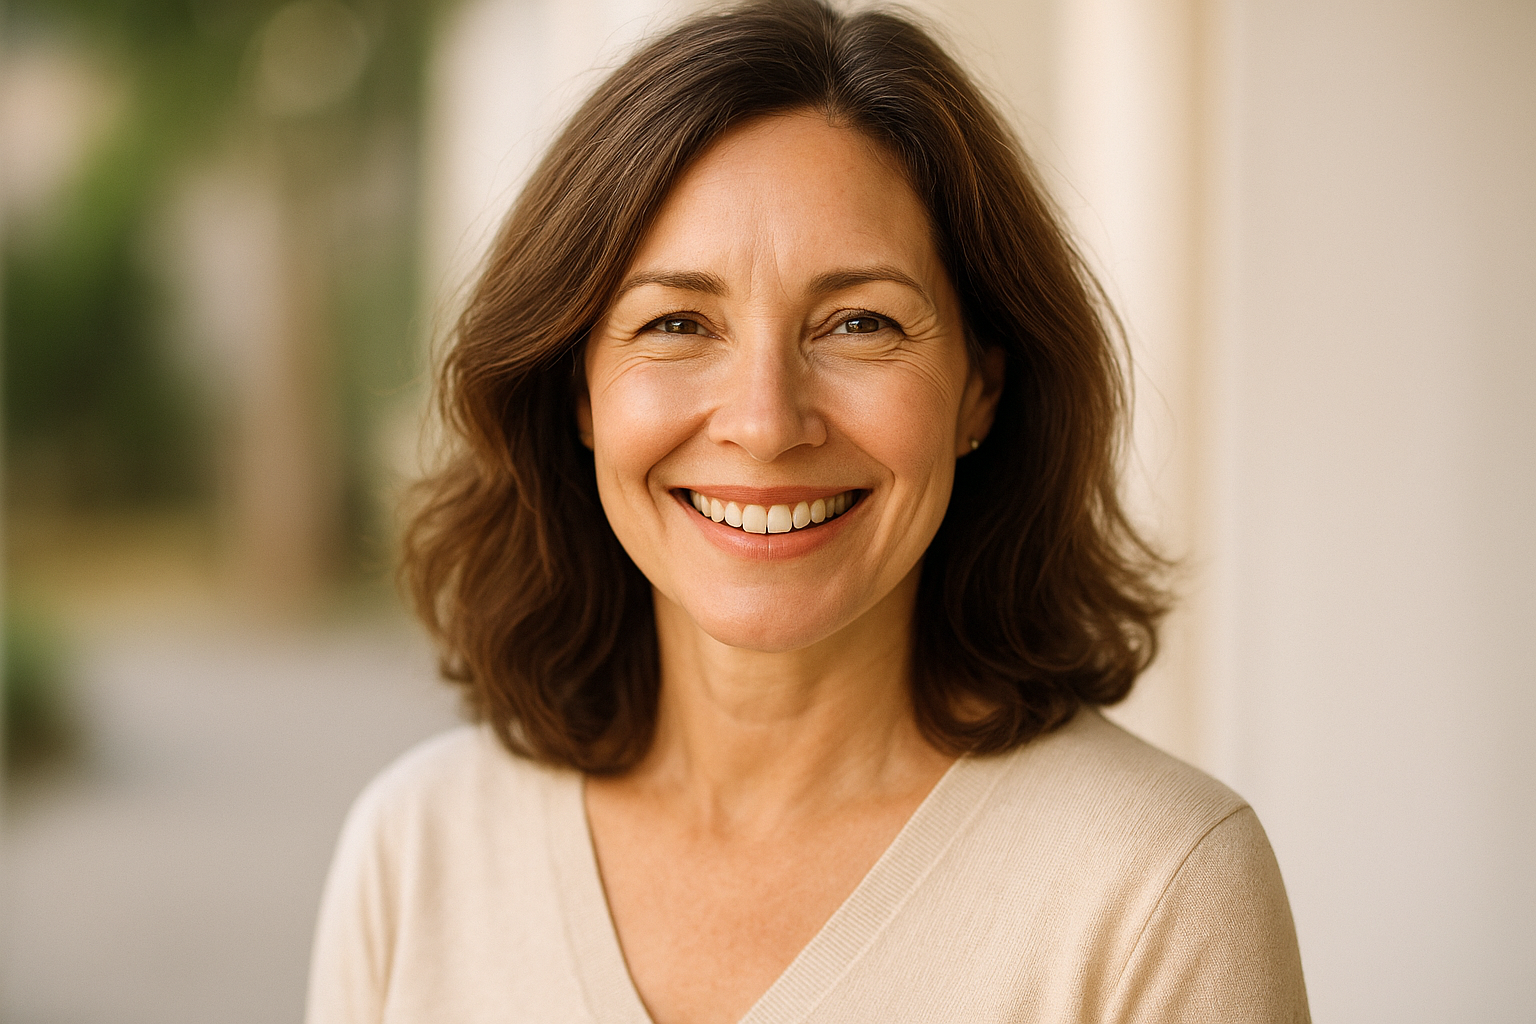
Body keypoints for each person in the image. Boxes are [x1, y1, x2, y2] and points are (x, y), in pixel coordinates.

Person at [305, 2, 1309, 1021]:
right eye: (679, 322)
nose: (764, 421)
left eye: (860, 322)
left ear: (980, 389)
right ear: (579, 394)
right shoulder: (416, 853)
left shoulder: (1159, 892)